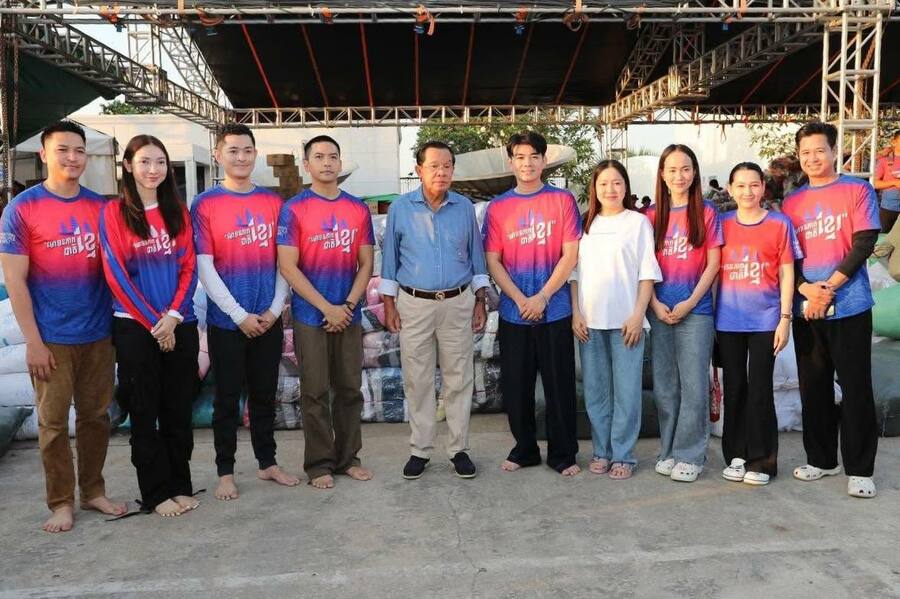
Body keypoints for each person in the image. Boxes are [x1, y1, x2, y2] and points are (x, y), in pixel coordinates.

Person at [0, 121, 126, 532]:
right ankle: (60, 502)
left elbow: (118, 269)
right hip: (51, 338)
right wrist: (33, 343)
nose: (72, 158)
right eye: (63, 150)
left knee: (96, 417)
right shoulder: (23, 209)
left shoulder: (101, 208)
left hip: (99, 334)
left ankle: (93, 491)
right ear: (44, 155)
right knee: (53, 424)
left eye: (79, 151)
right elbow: (14, 280)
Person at [191, 123, 299, 501]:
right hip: (226, 323)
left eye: (247, 150)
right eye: (233, 150)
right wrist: (238, 315)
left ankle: (267, 462)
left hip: (267, 320)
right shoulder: (205, 204)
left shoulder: (273, 203)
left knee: (264, 396)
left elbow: (284, 263)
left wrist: (274, 309)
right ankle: (225, 471)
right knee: (226, 401)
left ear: (255, 154)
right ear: (218, 155)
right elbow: (205, 267)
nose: (241, 157)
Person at [99, 135, 200, 517]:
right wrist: (156, 324)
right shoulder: (114, 213)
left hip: (180, 322)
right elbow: (116, 275)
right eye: (144, 161)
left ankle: (180, 484)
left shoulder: (178, 211)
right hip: (135, 327)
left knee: (178, 409)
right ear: (128, 166)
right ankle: (155, 493)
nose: (153, 169)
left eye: (160, 162)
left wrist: (173, 316)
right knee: (144, 411)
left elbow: (189, 267)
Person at [782, 122, 880, 498]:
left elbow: (864, 243)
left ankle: (860, 469)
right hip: (807, 309)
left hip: (850, 306)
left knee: (856, 387)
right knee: (814, 387)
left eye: (819, 150)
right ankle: (822, 459)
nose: (813, 158)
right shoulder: (792, 203)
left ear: (835, 151)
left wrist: (830, 287)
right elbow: (788, 257)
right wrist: (807, 289)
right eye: (805, 152)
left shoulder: (857, 189)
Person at [380, 140, 488, 480]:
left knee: (459, 378)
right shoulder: (400, 208)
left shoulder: (464, 207)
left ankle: (458, 449)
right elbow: (389, 260)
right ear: (419, 170)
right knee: (418, 379)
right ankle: (420, 449)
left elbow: (477, 256)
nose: (441, 172)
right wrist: (389, 303)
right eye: (434, 166)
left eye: (447, 166)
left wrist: (480, 299)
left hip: (457, 302)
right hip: (414, 304)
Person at [277, 135, 374, 489]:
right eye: (319, 157)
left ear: (340, 162)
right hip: (310, 316)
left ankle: (349, 458)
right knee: (314, 391)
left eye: (333, 156)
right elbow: (288, 266)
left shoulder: (357, 209)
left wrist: (346, 306)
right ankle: (319, 464)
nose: (327, 162)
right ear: (307, 165)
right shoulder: (294, 209)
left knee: (349, 389)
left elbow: (366, 263)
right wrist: (325, 308)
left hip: (348, 313)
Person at [483, 131, 581, 477]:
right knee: (516, 388)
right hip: (514, 313)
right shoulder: (498, 207)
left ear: (544, 160)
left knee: (559, 386)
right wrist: (521, 298)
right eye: (520, 157)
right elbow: (493, 261)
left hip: (555, 310)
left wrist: (542, 296)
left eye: (534, 156)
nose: (527, 163)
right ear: (511, 162)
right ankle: (524, 449)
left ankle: (563, 453)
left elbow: (570, 254)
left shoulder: (562, 200)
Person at [570, 160, 660, 480]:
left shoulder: (638, 223)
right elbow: (573, 274)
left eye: (617, 183)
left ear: (626, 187)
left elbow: (647, 273)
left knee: (627, 392)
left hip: (627, 323)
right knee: (596, 393)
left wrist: (638, 315)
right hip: (589, 323)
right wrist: (576, 313)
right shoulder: (585, 225)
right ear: (594, 188)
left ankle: (624, 455)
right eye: (604, 184)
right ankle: (601, 451)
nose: (610, 189)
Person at [715, 162, 800, 486]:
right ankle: (736, 455)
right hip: (728, 320)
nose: (747, 191)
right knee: (734, 387)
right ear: (730, 189)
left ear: (763, 187)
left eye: (754, 185)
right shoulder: (722, 224)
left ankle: (762, 460)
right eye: (740, 185)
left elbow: (787, 272)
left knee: (761, 389)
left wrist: (785, 318)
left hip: (766, 319)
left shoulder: (779, 223)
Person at [645, 144, 722, 483]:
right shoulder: (649, 217)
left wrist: (690, 302)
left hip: (696, 311)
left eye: (686, 169)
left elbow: (713, 264)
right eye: (673, 170)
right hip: (660, 311)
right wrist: (654, 304)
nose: (679, 176)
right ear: (662, 174)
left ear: (695, 173)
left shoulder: (707, 212)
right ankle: (668, 451)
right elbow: (642, 268)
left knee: (694, 386)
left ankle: (690, 455)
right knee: (665, 387)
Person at [874, 130, 900, 233]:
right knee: (883, 239)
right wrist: (894, 182)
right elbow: (875, 184)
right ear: (894, 142)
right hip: (889, 209)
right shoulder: (884, 161)